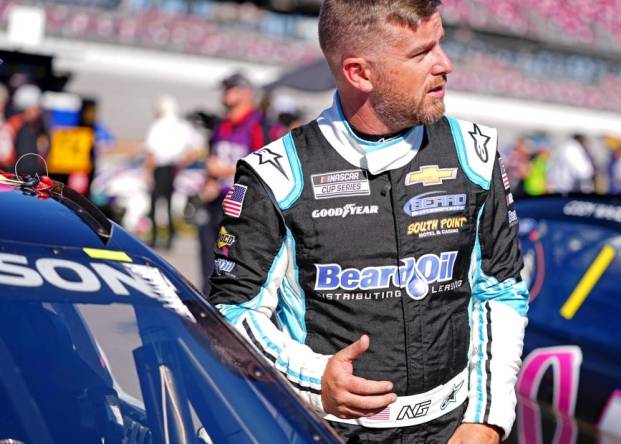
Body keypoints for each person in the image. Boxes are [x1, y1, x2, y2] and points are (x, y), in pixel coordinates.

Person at [207, 1, 529, 442]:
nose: (445, 65)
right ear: (360, 73)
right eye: (421, 54)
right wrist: (315, 378)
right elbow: (230, 312)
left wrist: (486, 419)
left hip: (455, 428)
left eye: (440, 44)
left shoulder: (475, 153)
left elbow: (501, 289)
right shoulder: (276, 175)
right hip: (327, 430)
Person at [198, 72, 264, 294]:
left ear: (246, 92)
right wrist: (209, 180)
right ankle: (207, 300)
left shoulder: (258, 124)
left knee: (233, 258)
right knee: (208, 255)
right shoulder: (222, 125)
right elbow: (214, 158)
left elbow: (261, 164)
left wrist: (225, 170)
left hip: (241, 201)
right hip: (217, 199)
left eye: (231, 89)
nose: (226, 95)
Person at [143, 95, 198, 249]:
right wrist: (181, 164)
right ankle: (170, 238)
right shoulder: (183, 126)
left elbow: (151, 154)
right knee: (168, 203)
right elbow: (194, 151)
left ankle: (154, 237)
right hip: (173, 168)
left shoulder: (158, 126)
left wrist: (147, 173)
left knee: (155, 203)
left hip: (160, 168)